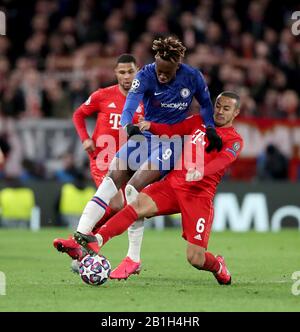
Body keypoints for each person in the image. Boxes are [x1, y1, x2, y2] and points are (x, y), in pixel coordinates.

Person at [56, 36, 222, 279]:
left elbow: (206, 105)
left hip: (172, 141)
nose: (161, 75)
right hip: (145, 136)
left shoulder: (193, 77)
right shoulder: (145, 74)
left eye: (166, 72)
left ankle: (133, 258)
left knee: (133, 188)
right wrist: (126, 125)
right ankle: (79, 236)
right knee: (113, 175)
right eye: (158, 69)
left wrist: (209, 127)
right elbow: (130, 104)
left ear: (177, 65)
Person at [74, 91, 243, 285]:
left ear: (235, 113)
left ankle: (218, 266)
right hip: (172, 185)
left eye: (226, 108)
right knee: (135, 206)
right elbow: (173, 130)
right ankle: (98, 239)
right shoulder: (200, 121)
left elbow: (223, 161)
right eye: (218, 106)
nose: (220, 111)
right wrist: (151, 126)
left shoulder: (234, 140)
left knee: (195, 258)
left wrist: (202, 171)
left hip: (199, 196)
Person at [53, 54, 143, 263]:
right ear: (115, 74)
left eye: (130, 71)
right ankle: (84, 240)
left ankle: (80, 242)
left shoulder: (144, 100)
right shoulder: (103, 95)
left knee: (125, 207)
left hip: (128, 163)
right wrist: (85, 139)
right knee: (119, 204)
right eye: (122, 72)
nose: (127, 76)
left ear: (137, 71)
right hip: (102, 160)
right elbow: (78, 115)